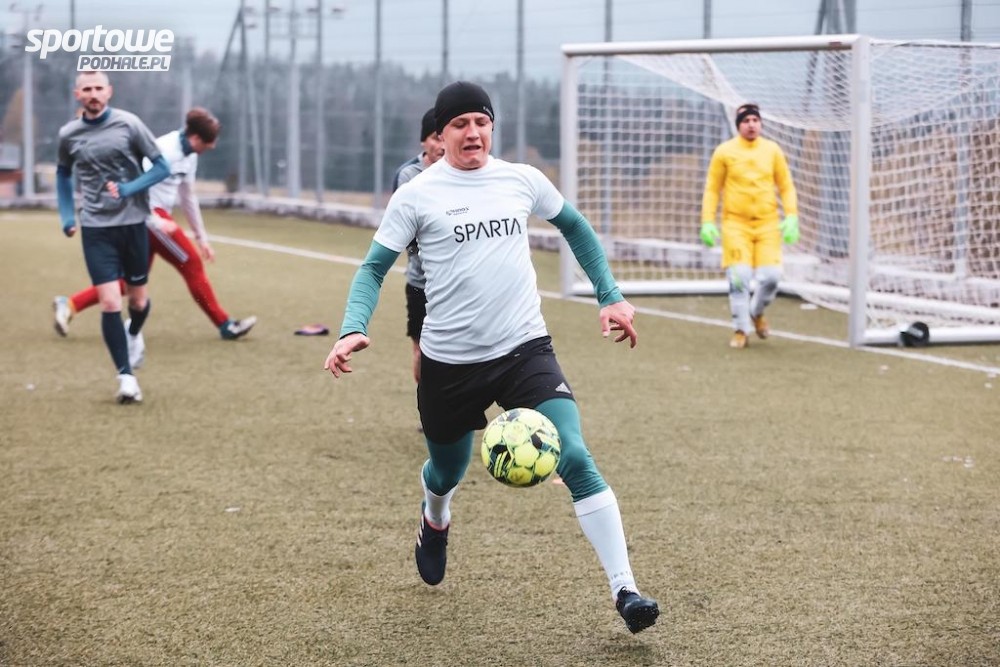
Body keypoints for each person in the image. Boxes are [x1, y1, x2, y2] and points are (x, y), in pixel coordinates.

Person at [324, 81, 660, 634]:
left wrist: (610, 295)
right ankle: (435, 517)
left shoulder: (521, 179)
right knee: (447, 471)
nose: (473, 132)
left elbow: (574, 226)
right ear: (442, 134)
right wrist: (352, 328)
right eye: (460, 124)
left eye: (481, 122)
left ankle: (626, 590)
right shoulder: (416, 195)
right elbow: (373, 268)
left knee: (575, 455)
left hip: (524, 350)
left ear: (492, 127)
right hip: (449, 365)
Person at [53, 107, 257, 342]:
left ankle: (69, 304)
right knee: (191, 264)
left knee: (131, 283)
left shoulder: (190, 156)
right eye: (209, 142)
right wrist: (154, 220)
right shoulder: (164, 149)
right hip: (149, 218)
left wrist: (202, 238)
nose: (212, 147)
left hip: (156, 220)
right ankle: (225, 324)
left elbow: (188, 197)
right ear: (196, 138)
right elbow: (133, 184)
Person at [56, 70, 171, 403]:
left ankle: (133, 333)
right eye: (87, 89)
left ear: (109, 92)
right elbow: (63, 174)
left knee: (138, 302)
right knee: (109, 301)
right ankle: (126, 378)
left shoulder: (129, 124)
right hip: (95, 227)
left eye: (98, 88)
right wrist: (67, 216)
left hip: (133, 223)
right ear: (78, 95)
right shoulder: (69, 134)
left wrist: (128, 189)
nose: (93, 94)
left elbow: (161, 167)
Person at [699, 102, 800, 349]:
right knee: (739, 277)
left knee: (772, 278)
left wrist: (792, 216)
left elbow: (786, 186)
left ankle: (756, 312)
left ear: (761, 123)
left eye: (755, 120)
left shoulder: (772, 150)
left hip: (767, 224)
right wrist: (707, 221)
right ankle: (740, 329)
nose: (751, 125)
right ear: (738, 125)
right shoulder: (724, 152)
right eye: (746, 121)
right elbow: (712, 189)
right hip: (736, 225)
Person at [391, 107, 445, 383]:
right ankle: (428, 406)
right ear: (424, 141)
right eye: (436, 138)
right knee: (423, 350)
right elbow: (408, 232)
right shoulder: (409, 176)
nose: (441, 145)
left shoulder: (467, 173)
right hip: (421, 281)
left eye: (445, 137)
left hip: (458, 282)